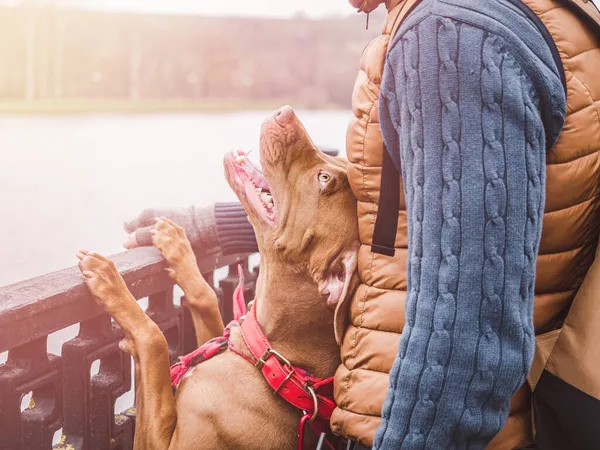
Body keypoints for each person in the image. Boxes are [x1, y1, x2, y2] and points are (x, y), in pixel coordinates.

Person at [126, 0, 600, 448]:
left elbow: (467, 332)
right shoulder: (527, 14)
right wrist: (232, 219)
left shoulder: (451, 32)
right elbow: (415, 184)